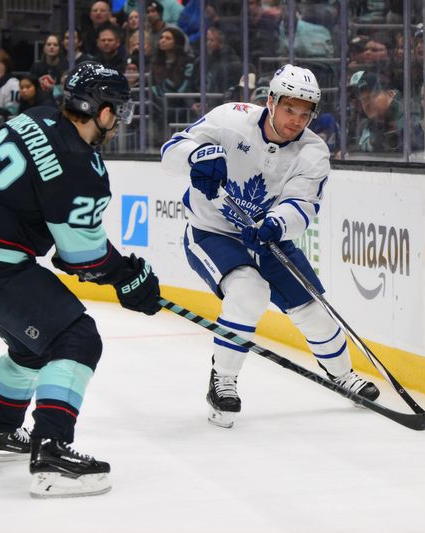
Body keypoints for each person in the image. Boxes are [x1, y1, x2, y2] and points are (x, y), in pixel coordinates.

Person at [0, 61, 161, 498]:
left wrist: (102, 267)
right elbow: (82, 256)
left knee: (32, 344)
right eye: (116, 109)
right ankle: (52, 451)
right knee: (77, 339)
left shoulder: (38, 115)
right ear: (100, 110)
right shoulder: (83, 165)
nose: (118, 119)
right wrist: (128, 278)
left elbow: (60, 235)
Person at [160, 65, 379, 429]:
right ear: (270, 101)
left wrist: (277, 223)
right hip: (212, 231)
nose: (297, 120)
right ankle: (222, 381)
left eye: (305, 113)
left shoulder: (313, 151)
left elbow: (302, 204)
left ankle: (342, 376)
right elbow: (171, 153)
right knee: (248, 291)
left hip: (267, 237)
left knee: (315, 312)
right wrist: (195, 156)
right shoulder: (230, 120)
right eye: (289, 109)